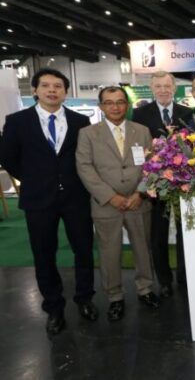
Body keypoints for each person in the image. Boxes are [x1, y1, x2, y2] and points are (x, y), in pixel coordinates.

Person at [0, 68, 97, 335]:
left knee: (84, 249)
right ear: (35, 90)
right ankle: (54, 307)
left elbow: (86, 157)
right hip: (38, 198)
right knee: (44, 254)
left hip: (76, 196)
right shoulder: (17, 121)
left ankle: (85, 298)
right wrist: (34, 178)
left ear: (65, 92)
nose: (52, 90)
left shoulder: (80, 121)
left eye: (58, 86)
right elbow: (7, 157)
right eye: (45, 85)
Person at [76, 86, 160, 321]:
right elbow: (84, 167)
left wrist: (140, 193)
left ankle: (145, 289)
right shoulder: (88, 134)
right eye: (109, 102)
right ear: (101, 106)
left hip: (138, 202)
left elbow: (153, 164)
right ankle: (115, 297)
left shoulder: (141, 131)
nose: (115, 107)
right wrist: (110, 196)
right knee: (109, 252)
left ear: (127, 105)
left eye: (120, 102)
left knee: (142, 248)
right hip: (106, 204)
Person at [131, 71, 192, 297]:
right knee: (158, 234)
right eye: (158, 86)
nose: (163, 90)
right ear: (152, 89)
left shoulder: (188, 113)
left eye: (167, 86)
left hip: (183, 182)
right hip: (155, 182)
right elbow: (137, 147)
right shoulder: (140, 114)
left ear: (174, 88)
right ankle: (164, 280)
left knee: (186, 232)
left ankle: (185, 276)